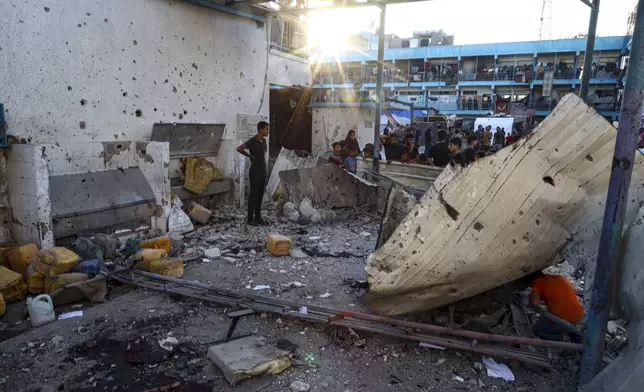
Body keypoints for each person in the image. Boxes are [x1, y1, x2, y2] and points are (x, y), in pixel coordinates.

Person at [528, 271, 583, 342]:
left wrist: (531, 298)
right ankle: (573, 334)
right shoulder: (559, 278)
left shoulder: (537, 283)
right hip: (579, 315)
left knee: (537, 330)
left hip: (563, 319)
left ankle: (563, 338)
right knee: (570, 327)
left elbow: (534, 303)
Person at [236, 121, 270, 226]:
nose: (268, 131)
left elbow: (263, 154)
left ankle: (258, 219)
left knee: (260, 197)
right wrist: (249, 156)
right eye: (266, 129)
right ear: (260, 129)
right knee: (253, 197)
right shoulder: (252, 141)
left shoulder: (264, 141)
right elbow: (239, 148)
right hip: (255, 172)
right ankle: (250, 220)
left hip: (262, 172)